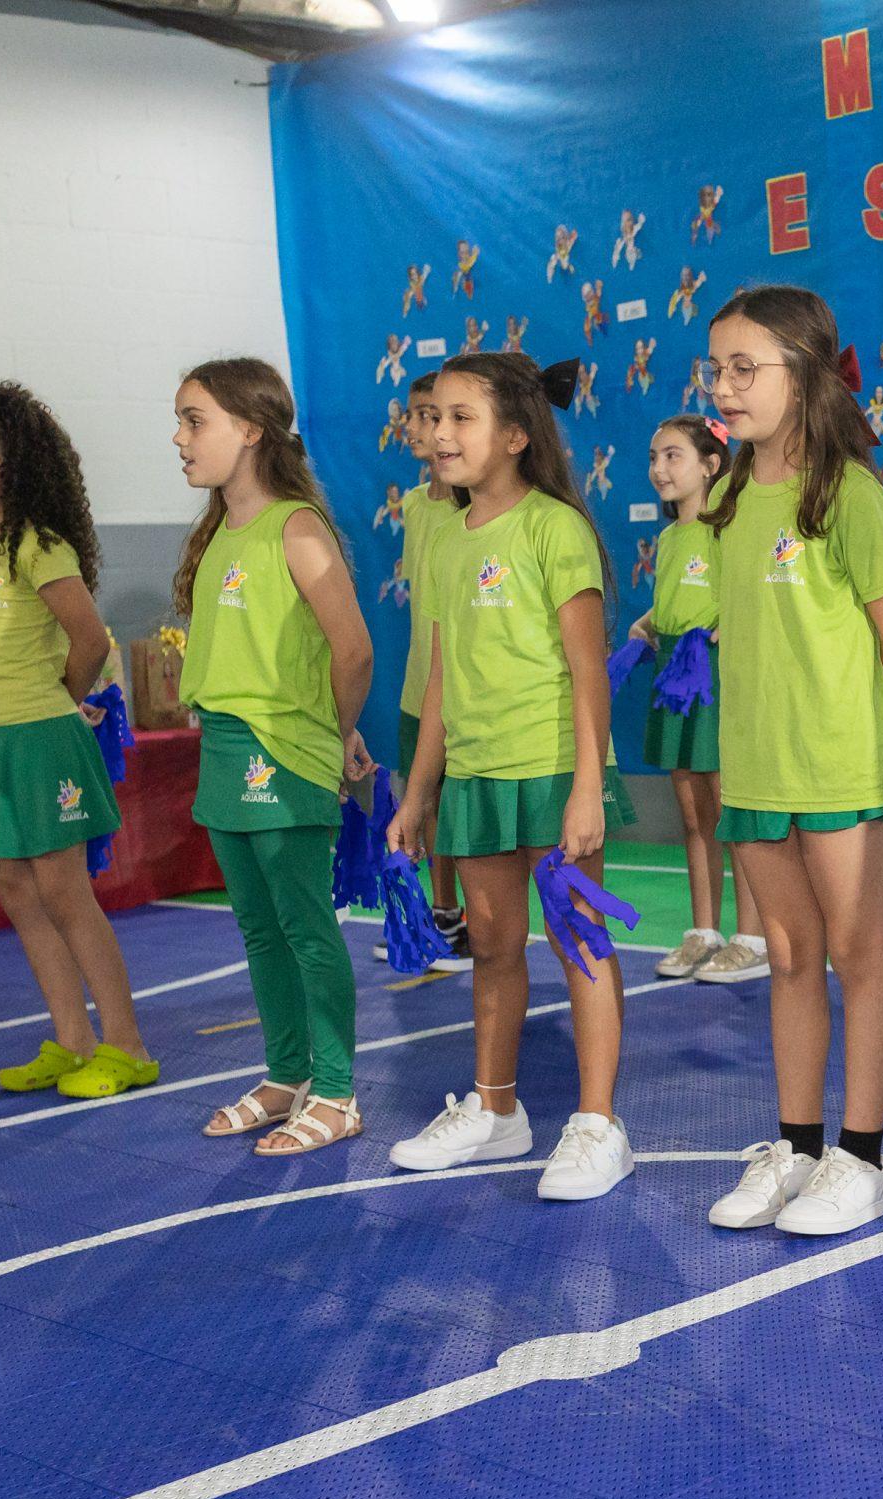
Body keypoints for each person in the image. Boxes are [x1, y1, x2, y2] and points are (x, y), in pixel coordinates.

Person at [385, 354, 640, 1195]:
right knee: (492, 947)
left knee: (580, 941)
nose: (441, 433)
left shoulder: (553, 528)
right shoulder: (444, 538)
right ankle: (497, 1111)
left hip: (554, 767)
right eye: (435, 417)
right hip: (476, 775)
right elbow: (439, 679)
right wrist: (419, 793)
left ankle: (598, 1124)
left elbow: (589, 669)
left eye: (462, 417)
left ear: (517, 435)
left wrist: (586, 786)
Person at [698, 286, 883, 1237]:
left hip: (840, 767)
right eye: (717, 368)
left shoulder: (850, 493)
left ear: (804, 376)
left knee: (858, 956)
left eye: (746, 368)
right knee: (788, 956)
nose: (725, 385)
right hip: (756, 770)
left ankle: (861, 1158)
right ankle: (794, 1147)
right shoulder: (727, 496)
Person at [171, 358, 374, 1156]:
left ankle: (337, 1091)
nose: (180, 438)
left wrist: (334, 735)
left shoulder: (297, 528)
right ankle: (288, 1074)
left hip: (282, 753)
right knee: (259, 930)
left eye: (195, 421)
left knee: (305, 926)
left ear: (250, 429)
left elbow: (353, 650)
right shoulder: (219, 531)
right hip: (223, 748)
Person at [0, 384, 156, 1101]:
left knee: (63, 890)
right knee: (14, 886)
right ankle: (72, 1040)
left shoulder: (38, 546)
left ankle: (127, 1046)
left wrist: (58, 699)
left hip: (42, 738)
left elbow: (91, 639)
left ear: (16, 469)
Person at [632, 413, 768, 984]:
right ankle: (704, 932)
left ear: (711, 466)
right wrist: (646, 624)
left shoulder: (729, 529)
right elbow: (678, 599)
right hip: (673, 676)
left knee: (728, 806)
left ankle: (753, 938)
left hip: (713, 676)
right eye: (654, 457)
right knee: (693, 814)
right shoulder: (669, 539)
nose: (659, 468)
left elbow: (755, 592)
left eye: (673, 456)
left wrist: (734, 623)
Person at [378, 369, 472, 969]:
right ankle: (444, 913)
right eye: (414, 415)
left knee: (461, 805)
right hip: (421, 687)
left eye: (429, 415)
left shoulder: (472, 505)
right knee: (425, 802)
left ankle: (476, 918)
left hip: (464, 691)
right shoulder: (414, 505)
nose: (416, 427)